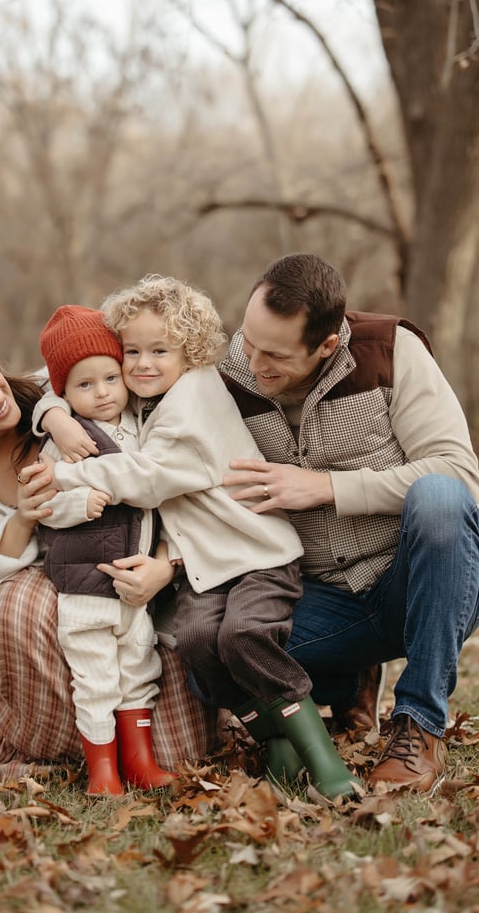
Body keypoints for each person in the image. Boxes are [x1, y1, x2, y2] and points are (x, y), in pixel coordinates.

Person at [37, 275, 362, 802]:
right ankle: (275, 747)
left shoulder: (193, 404)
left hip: (257, 556)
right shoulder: (151, 393)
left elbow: (146, 480)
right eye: (133, 351)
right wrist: (51, 413)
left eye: (160, 350)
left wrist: (64, 477)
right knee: (196, 643)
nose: (142, 363)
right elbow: (58, 369)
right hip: (204, 566)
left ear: (189, 350)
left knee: (243, 636)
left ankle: (323, 760)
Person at [0, 335, 219, 786]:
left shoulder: (76, 391)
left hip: (140, 586)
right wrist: (22, 521)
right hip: (60, 616)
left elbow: (178, 486)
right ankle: (72, 749)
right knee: (22, 604)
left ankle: (130, 745)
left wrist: (167, 565)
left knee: (179, 753)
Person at [219, 253, 479, 793]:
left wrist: (329, 487)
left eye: (275, 354)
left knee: (438, 499)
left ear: (327, 345)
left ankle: (419, 725)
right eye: (248, 340)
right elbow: (119, 382)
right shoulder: (229, 371)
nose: (253, 361)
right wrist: (48, 410)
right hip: (321, 600)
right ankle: (346, 681)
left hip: (418, 583)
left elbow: (459, 475)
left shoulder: (390, 351)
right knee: (214, 650)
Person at [37, 305, 176, 795]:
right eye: (84, 385)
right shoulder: (65, 442)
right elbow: (44, 509)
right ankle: (103, 773)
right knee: (95, 680)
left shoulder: (143, 424)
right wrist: (79, 503)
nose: (101, 393)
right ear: (63, 394)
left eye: (109, 379)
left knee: (140, 669)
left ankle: (140, 762)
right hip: (85, 587)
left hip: (133, 586)